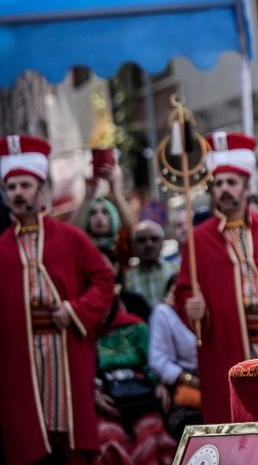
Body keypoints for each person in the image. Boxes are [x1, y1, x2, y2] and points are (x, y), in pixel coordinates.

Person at [174, 132, 258, 424]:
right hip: (226, 346)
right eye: (218, 183)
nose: (224, 189)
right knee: (237, 424)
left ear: (248, 186)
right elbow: (184, 291)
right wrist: (192, 307)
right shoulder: (197, 240)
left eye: (231, 183)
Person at [0, 134, 116, 464]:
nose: (17, 193)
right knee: (27, 440)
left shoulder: (71, 238)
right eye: (11, 187)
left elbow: (104, 279)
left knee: (70, 442)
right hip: (19, 361)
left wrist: (76, 310)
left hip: (65, 351)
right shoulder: (1, 247)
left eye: (24, 186)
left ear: (41, 191)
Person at [93, 292, 176, 465]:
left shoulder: (137, 327)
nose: (101, 308)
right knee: (109, 439)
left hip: (141, 400)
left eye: (105, 302)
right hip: (107, 402)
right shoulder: (85, 334)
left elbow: (151, 364)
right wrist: (96, 395)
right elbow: (86, 373)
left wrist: (159, 386)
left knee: (152, 435)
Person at [148, 277, 201, 440]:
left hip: (214, 382)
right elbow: (158, 361)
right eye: (179, 290)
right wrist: (190, 380)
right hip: (183, 387)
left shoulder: (206, 310)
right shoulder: (164, 313)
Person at [124, 220, 179, 308]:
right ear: (133, 246)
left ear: (162, 243)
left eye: (154, 239)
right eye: (142, 240)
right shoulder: (127, 279)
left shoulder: (176, 271)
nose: (149, 244)